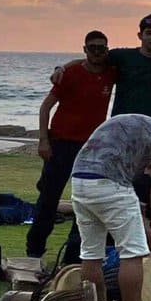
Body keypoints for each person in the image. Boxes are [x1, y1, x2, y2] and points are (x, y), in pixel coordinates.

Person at [69, 111, 151, 301]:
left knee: (91, 254)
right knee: (133, 253)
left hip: (79, 179)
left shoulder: (144, 131)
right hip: (110, 180)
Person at [29, 30, 115, 261]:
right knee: (48, 199)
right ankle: (34, 252)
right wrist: (43, 140)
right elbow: (46, 106)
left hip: (91, 148)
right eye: (93, 47)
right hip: (60, 143)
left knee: (87, 201)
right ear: (85, 49)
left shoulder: (110, 72)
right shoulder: (71, 74)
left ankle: (74, 254)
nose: (97, 52)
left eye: (102, 48)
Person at [109, 14, 151, 117]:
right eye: (149, 33)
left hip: (149, 124)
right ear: (140, 35)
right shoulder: (122, 56)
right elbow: (95, 60)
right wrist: (76, 62)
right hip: (121, 124)